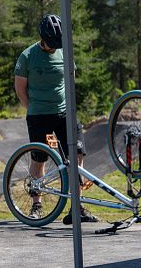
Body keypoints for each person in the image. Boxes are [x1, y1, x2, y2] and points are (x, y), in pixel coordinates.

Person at [14, 13, 99, 225]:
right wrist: (33, 108)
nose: (54, 47)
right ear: (42, 38)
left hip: (64, 113)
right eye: (51, 44)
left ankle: (76, 206)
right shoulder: (28, 56)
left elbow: (71, 80)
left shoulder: (65, 52)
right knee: (39, 159)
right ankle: (37, 204)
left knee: (77, 153)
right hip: (39, 115)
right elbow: (20, 88)